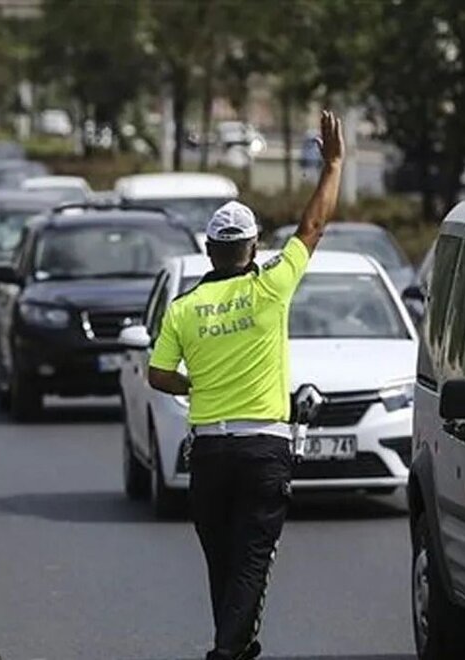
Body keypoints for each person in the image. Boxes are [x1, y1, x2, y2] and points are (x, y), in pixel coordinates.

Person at [147, 110, 344, 660]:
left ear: (210, 251)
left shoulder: (185, 309)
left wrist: (193, 382)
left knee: (224, 562)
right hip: (264, 449)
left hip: (209, 450)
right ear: (253, 249)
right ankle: (226, 652)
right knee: (252, 560)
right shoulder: (271, 288)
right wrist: (332, 165)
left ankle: (231, 645)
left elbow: (157, 374)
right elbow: (312, 228)